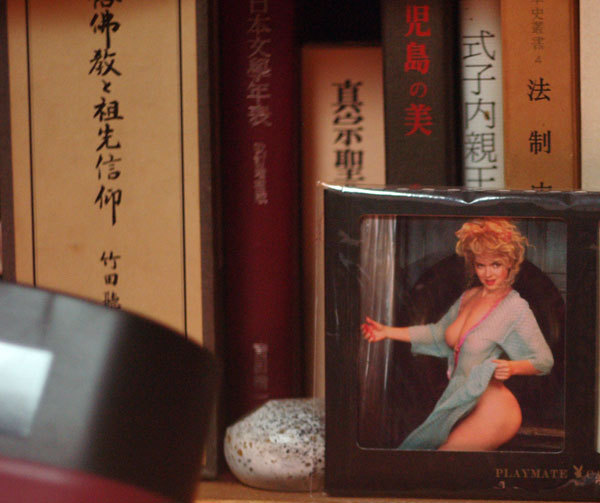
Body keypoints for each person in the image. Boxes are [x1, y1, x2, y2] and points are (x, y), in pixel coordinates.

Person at [361, 218, 554, 451]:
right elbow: (437, 334)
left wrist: (512, 367)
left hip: (496, 409)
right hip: (462, 402)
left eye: (496, 264)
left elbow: (544, 361)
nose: (488, 273)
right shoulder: (469, 297)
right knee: (423, 457)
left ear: (510, 264)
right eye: (480, 265)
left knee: (442, 460)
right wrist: (387, 332)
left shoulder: (514, 307)